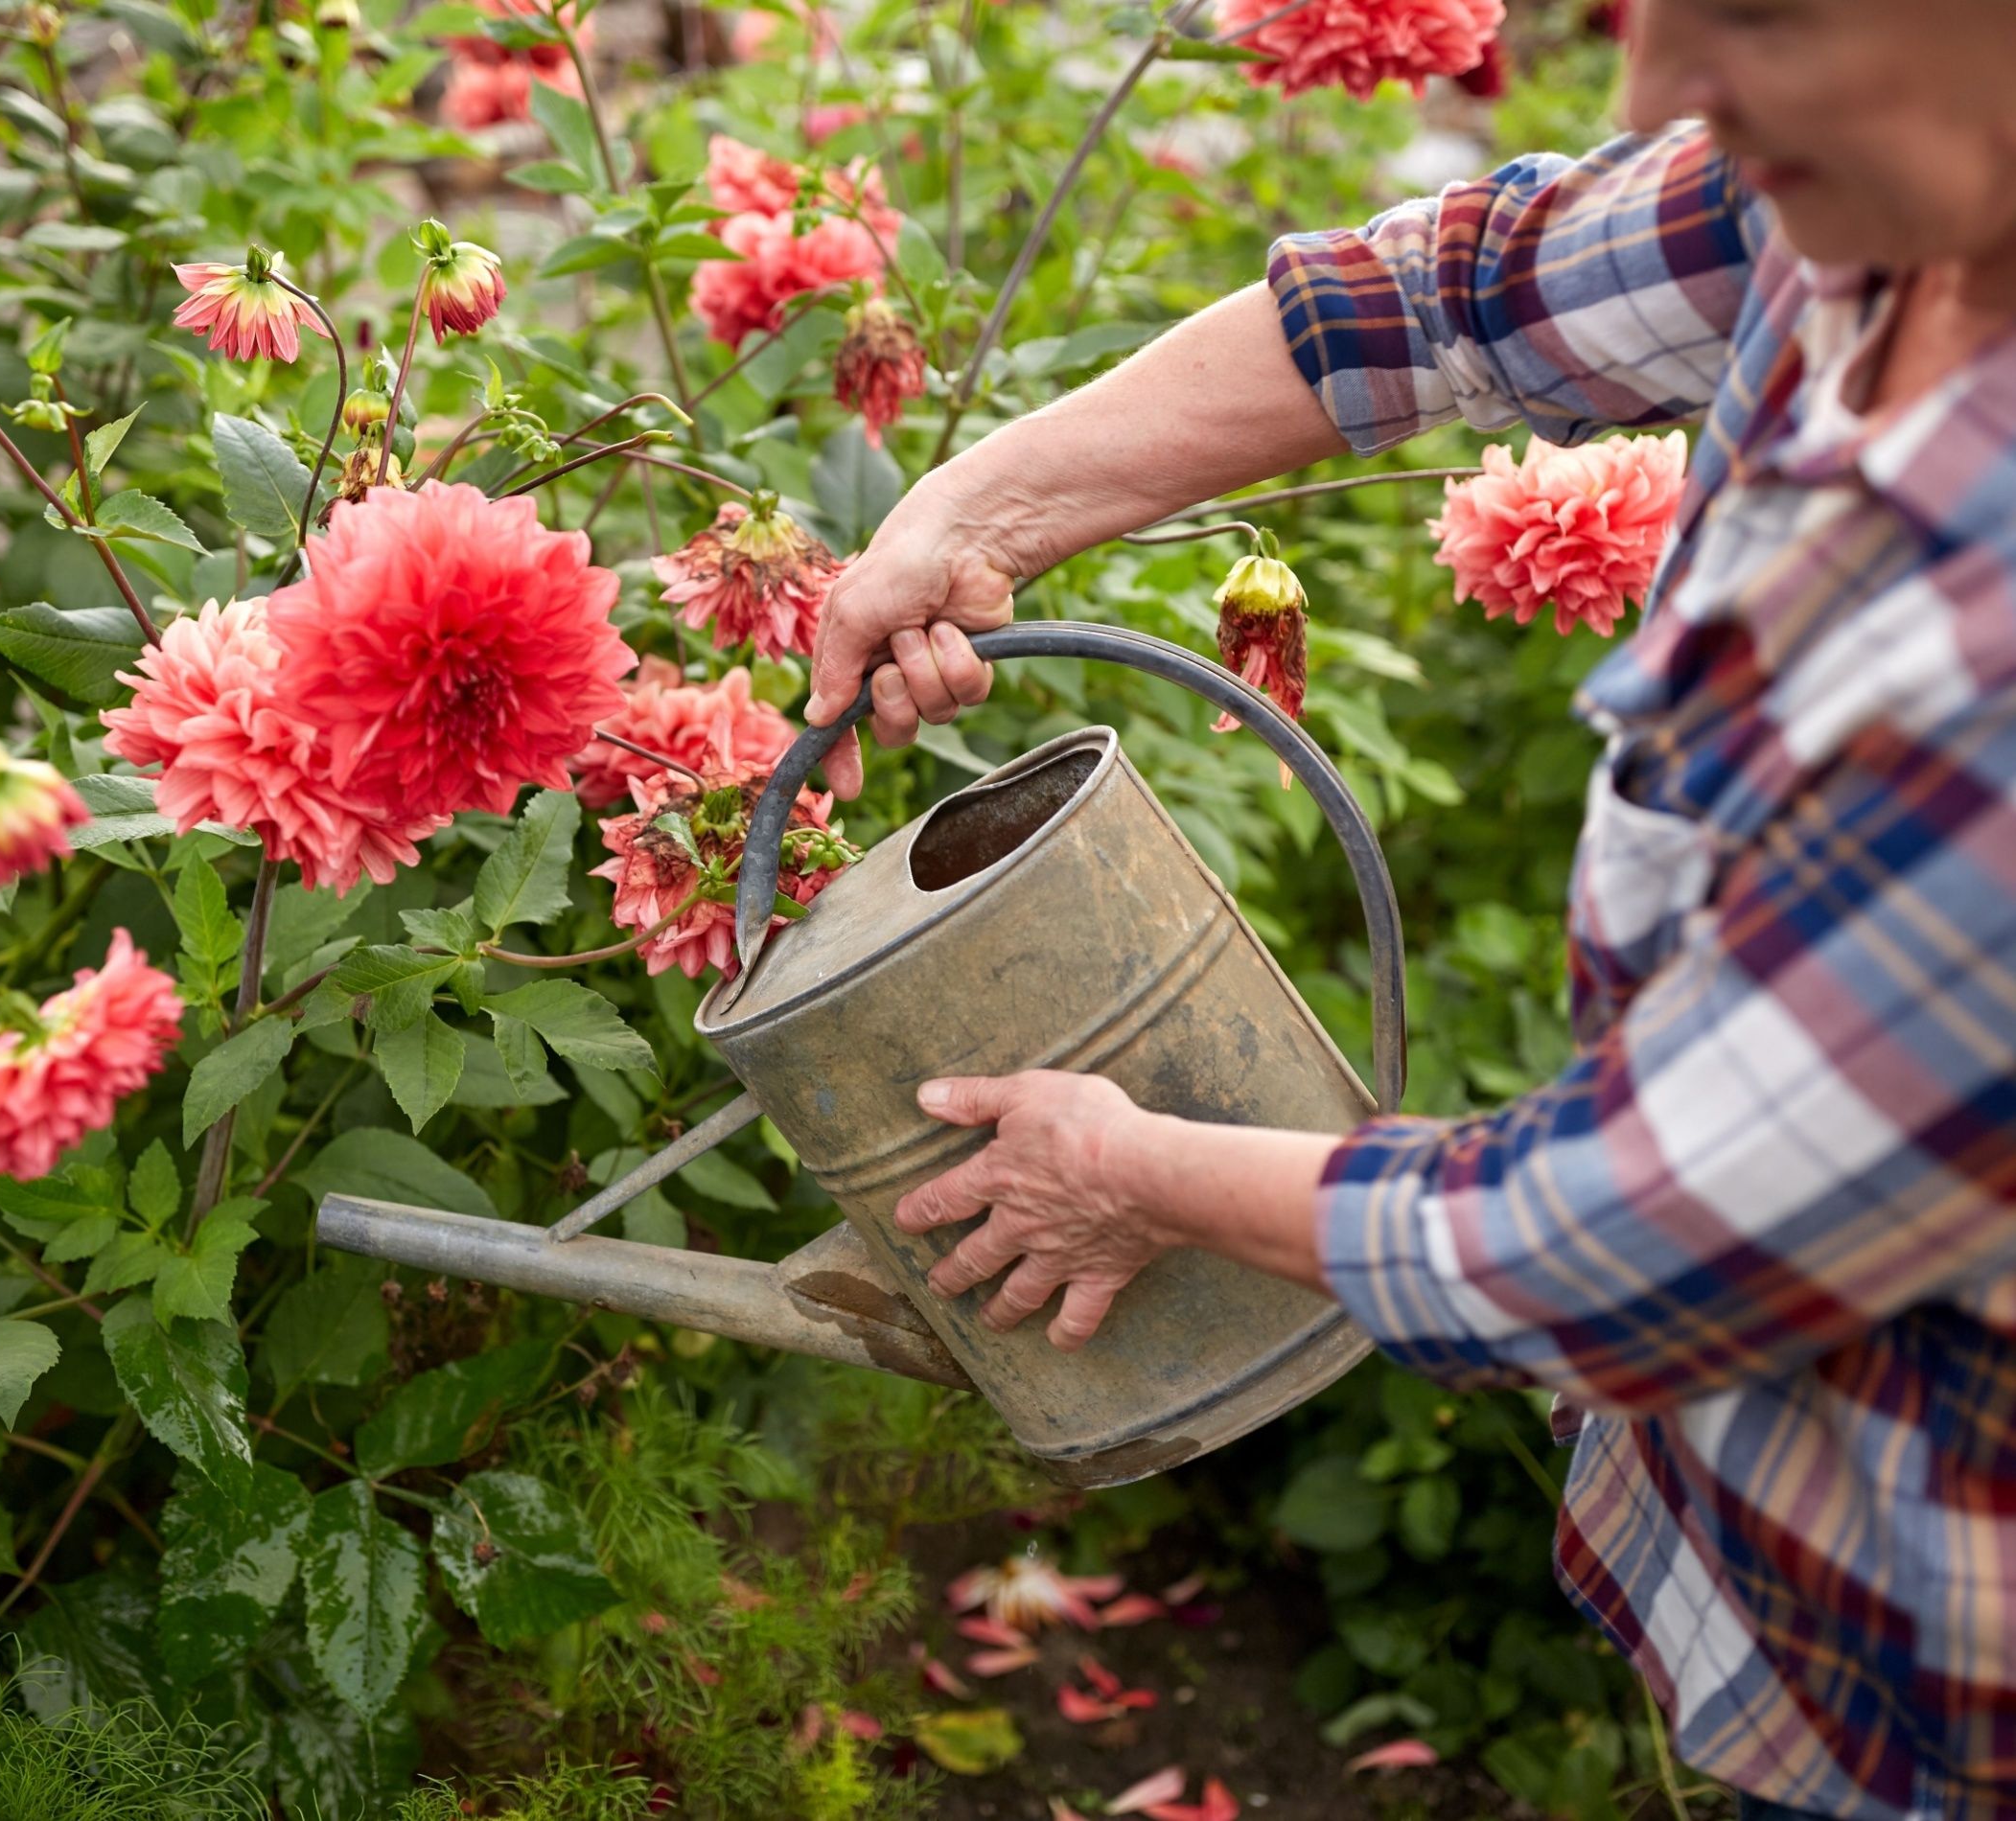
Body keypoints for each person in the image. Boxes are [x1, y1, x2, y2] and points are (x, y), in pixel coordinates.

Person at [800, 1, 2016, 1815]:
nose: (1651, 89)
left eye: (1763, 14)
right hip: (1787, 1567)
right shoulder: (1878, 204)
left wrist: (1129, 1169)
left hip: (1943, 1681)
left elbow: (1624, 1239)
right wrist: (984, 506)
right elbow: (1460, 291)